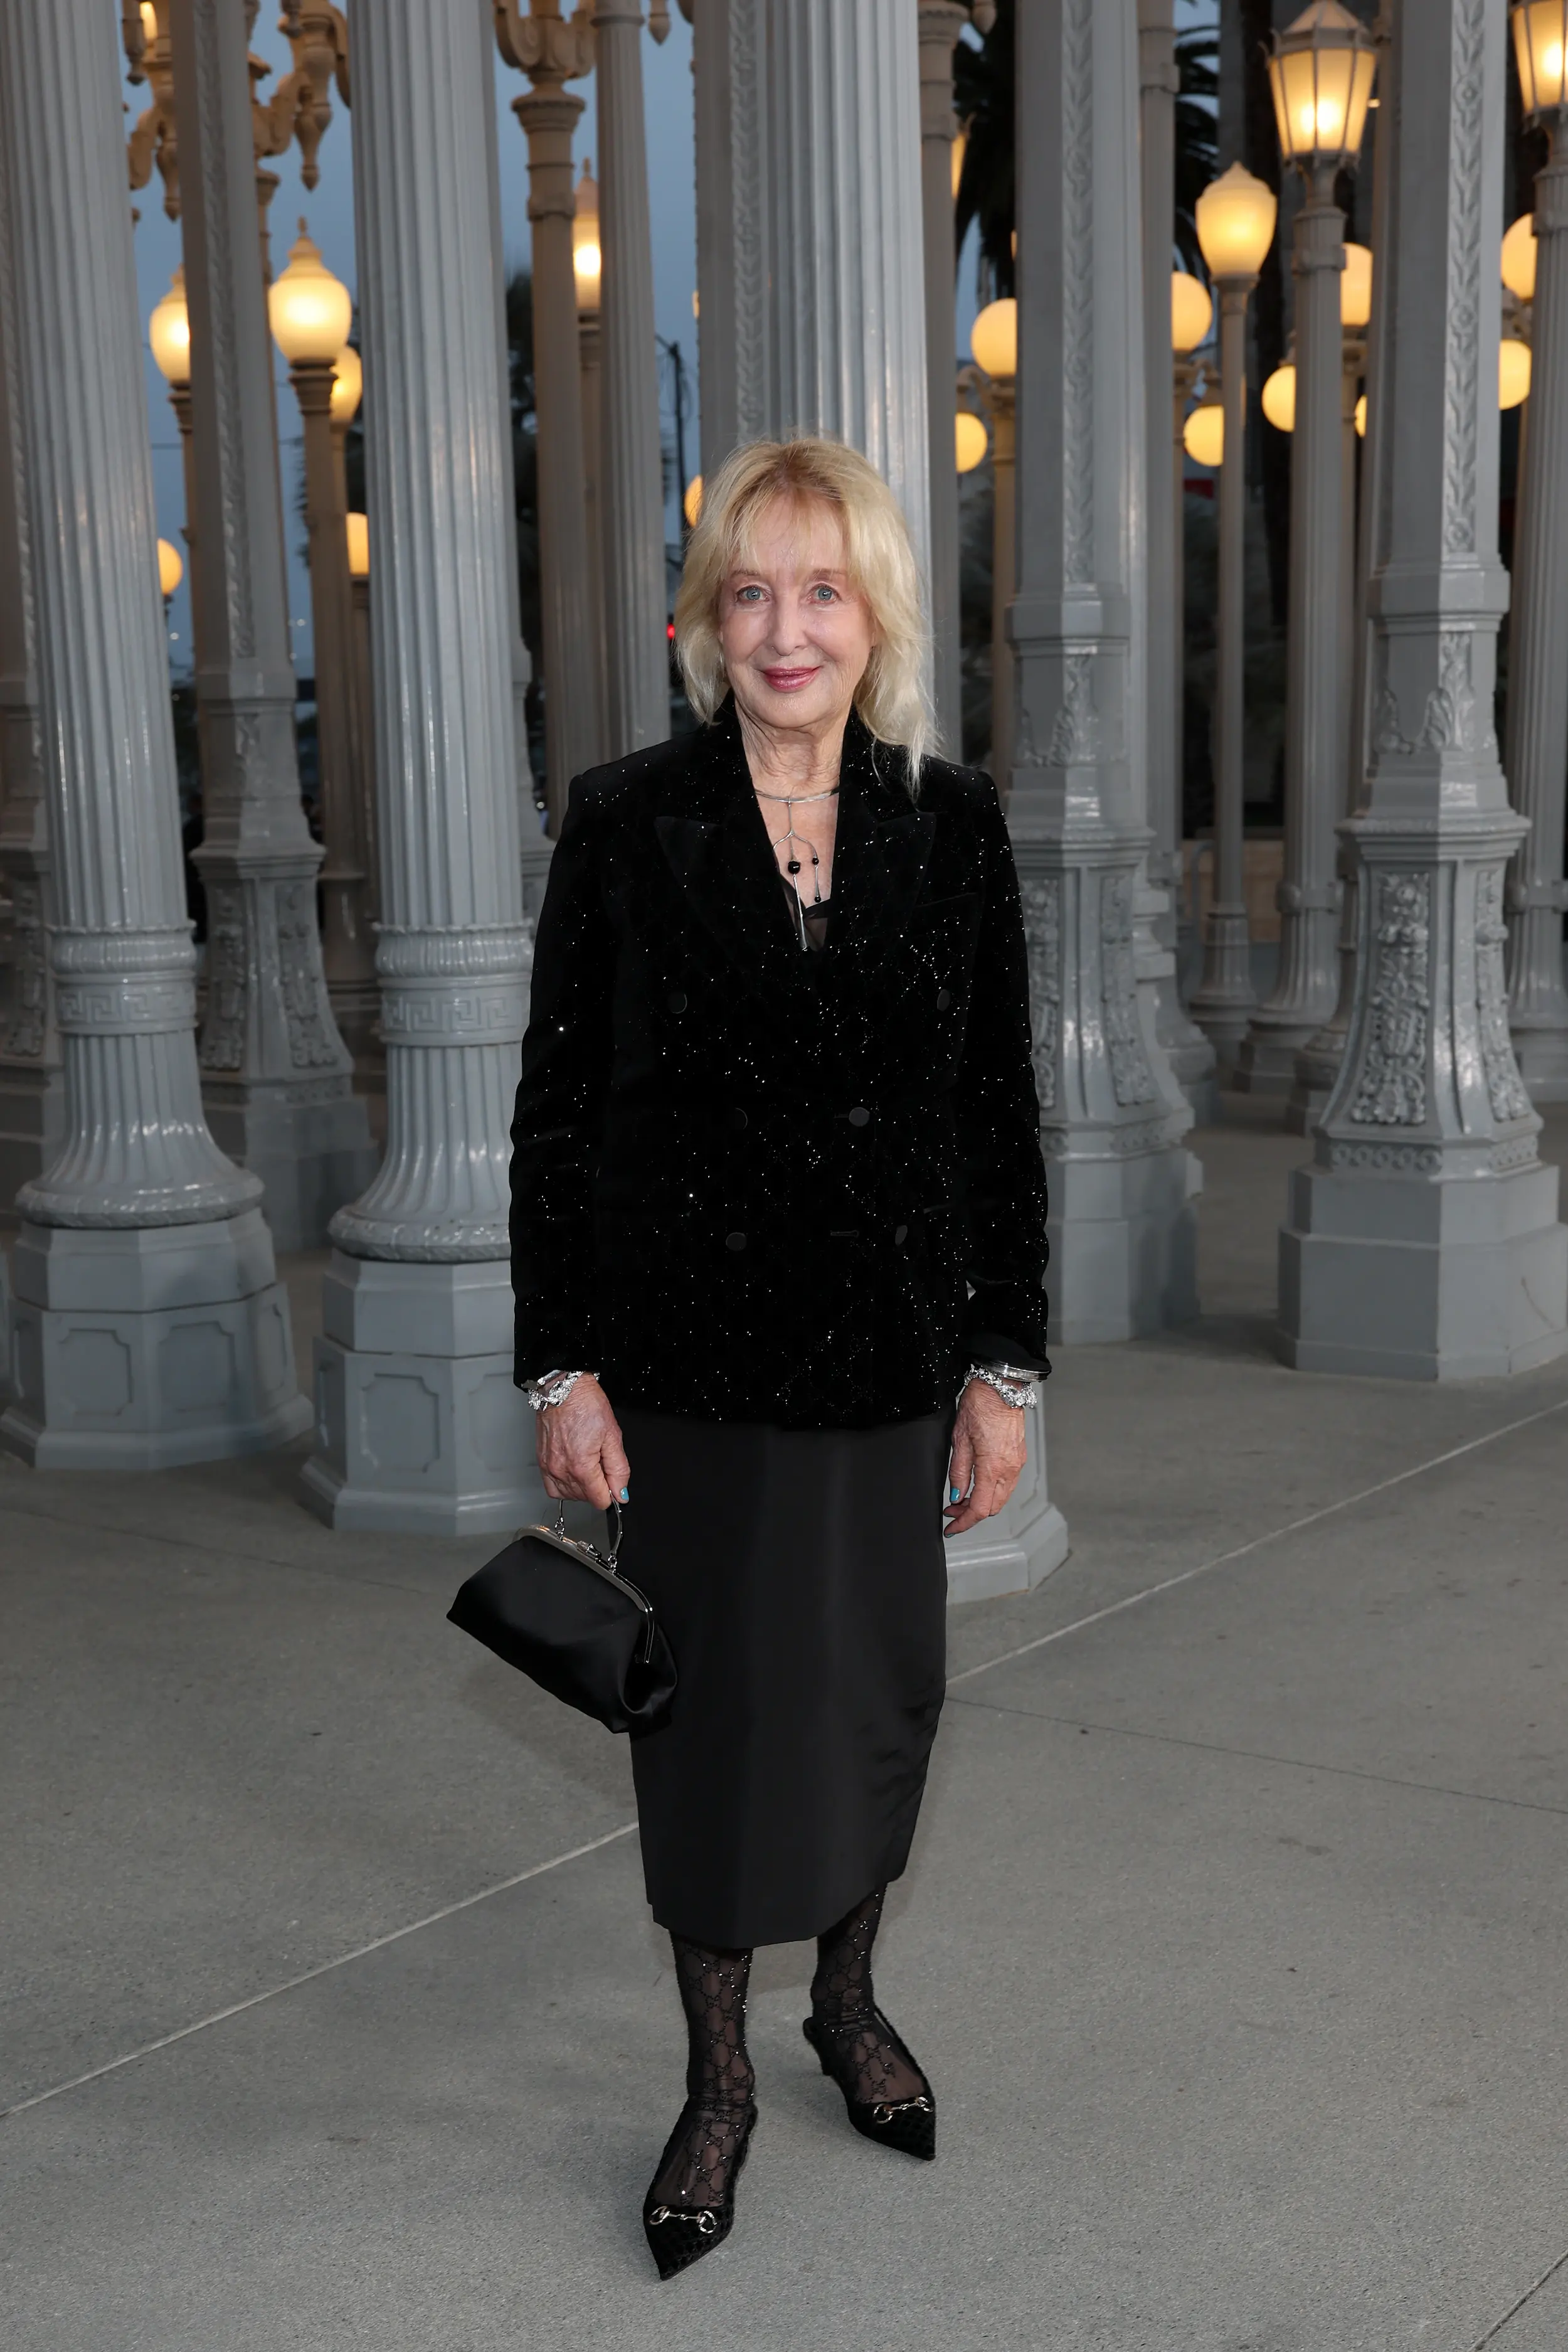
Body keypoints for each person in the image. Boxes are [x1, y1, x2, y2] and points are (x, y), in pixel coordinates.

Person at [509, 435, 1049, 2279]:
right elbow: (554, 1119)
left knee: (876, 1702)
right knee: (719, 1730)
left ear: (874, 612)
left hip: (889, 1366)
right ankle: (718, 2077)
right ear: (704, 619)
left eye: (821, 587)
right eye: (751, 588)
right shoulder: (624, 817)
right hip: (688, 1370)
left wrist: (1003, 1365)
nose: (785, 625)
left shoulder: (948, 820)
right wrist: (556, 1366)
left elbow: (997, 1117)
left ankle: (848, 1998)